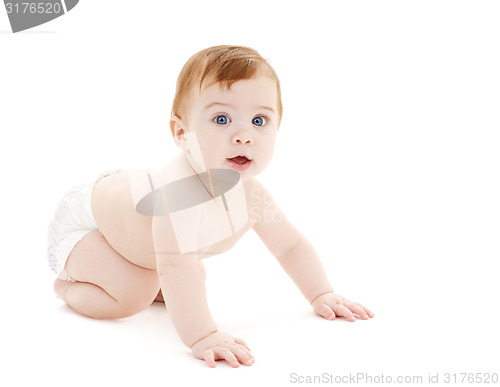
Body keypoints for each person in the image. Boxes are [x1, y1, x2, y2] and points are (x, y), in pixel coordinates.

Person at [47, 45, 374, 368]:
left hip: (128, 215)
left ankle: (138, 266)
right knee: (138, 291)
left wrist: (321, 294)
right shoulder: (177, 198)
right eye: (222, 119)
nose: (244, 135)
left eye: (259, 120)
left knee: (185, 274)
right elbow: (176, 268)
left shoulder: (253, 197)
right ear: (181, 132)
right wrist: (202, 335)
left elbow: (290, 246)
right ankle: (67, 288)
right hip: (85, 225)